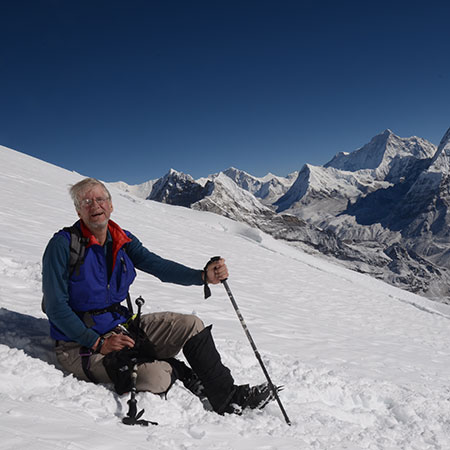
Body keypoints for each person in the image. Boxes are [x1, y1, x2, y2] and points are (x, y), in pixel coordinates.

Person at [42, 177, 274, 415]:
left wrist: (203, 277)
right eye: (86, 201)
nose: (95, 206)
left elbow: (157, 266)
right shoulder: (62, 246)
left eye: (100, 199)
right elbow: (56, 308)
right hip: (79, 344)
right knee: (157, 378)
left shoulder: (122, 240)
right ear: (78, 210)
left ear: (111, 205)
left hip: (120, 327)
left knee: (191, 325)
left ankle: (229, 398)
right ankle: (179, 371)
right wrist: (98, 343)